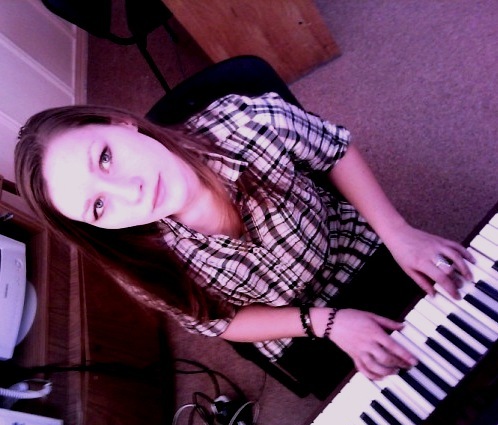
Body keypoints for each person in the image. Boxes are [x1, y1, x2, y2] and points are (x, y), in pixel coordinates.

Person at [15, 92, 474, 386]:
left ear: (120, 124)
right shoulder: (137, 263)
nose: (129, 192)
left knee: (467, 329)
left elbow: (334, 149)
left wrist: (398, 232)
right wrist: (328, 323)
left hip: (349, 248)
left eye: (105, 158)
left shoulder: (250, 124)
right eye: (98, 206)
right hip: (294, 327)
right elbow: (221, 322)